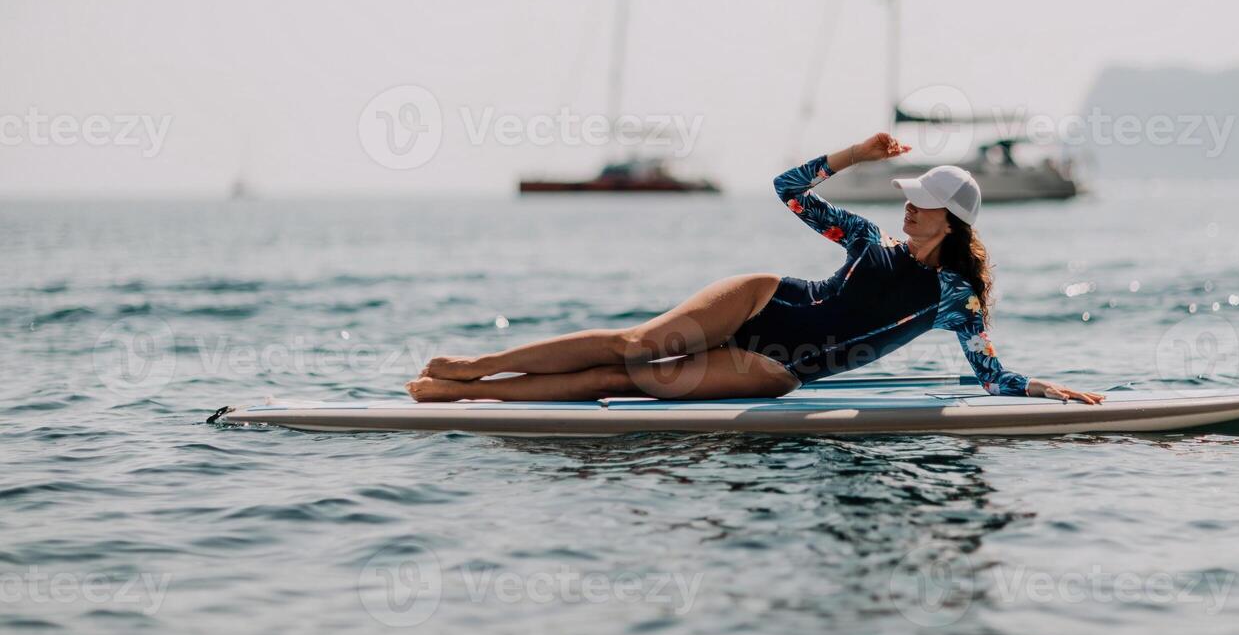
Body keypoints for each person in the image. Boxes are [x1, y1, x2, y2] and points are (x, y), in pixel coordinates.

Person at [407, 132, 1103, 404]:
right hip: (759, 301)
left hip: (778, 367)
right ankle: (475, 365)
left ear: (950, 222)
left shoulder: (955, 294)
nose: (909, 212)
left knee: (637, 379)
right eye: (911, 203)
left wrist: (1038, 387)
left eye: (921, 207)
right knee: (636, 344)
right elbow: (788, 189)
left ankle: (474, 396)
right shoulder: (868, 240)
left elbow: (988, 372)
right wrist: (853, 156)